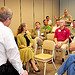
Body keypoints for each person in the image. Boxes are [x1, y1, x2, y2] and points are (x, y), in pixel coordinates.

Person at [0, 7, 28, 75]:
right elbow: (13, 54)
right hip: (1, 67)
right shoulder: (6, 30)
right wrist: (21, 71)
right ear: (7, 19)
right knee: (23, 70)